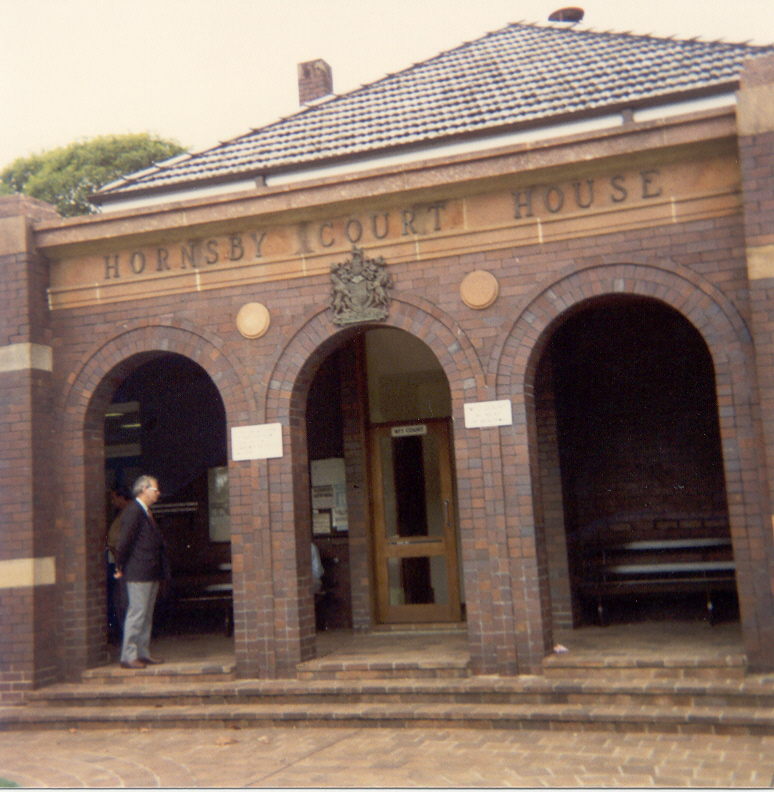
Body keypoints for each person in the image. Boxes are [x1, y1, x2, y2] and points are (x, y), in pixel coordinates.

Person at [115, 474, 170, 669]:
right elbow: (124, 542)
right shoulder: (134, 511)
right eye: (155, 490)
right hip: (139, 571)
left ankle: (142, 652)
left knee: (145, 614)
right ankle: (128, 656)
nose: (158, 493)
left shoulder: (144, 511)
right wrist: (119, 565)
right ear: (144, 489)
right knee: (137, 613)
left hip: (149, 571)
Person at [106, 487, 130, 640]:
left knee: (123, 599)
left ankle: (125, 634)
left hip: (123, 563)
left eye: (115, 498)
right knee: (118, 598)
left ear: (123, 497)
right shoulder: (120, 514)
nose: (113, 502)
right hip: (115, 561)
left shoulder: (129, 514)